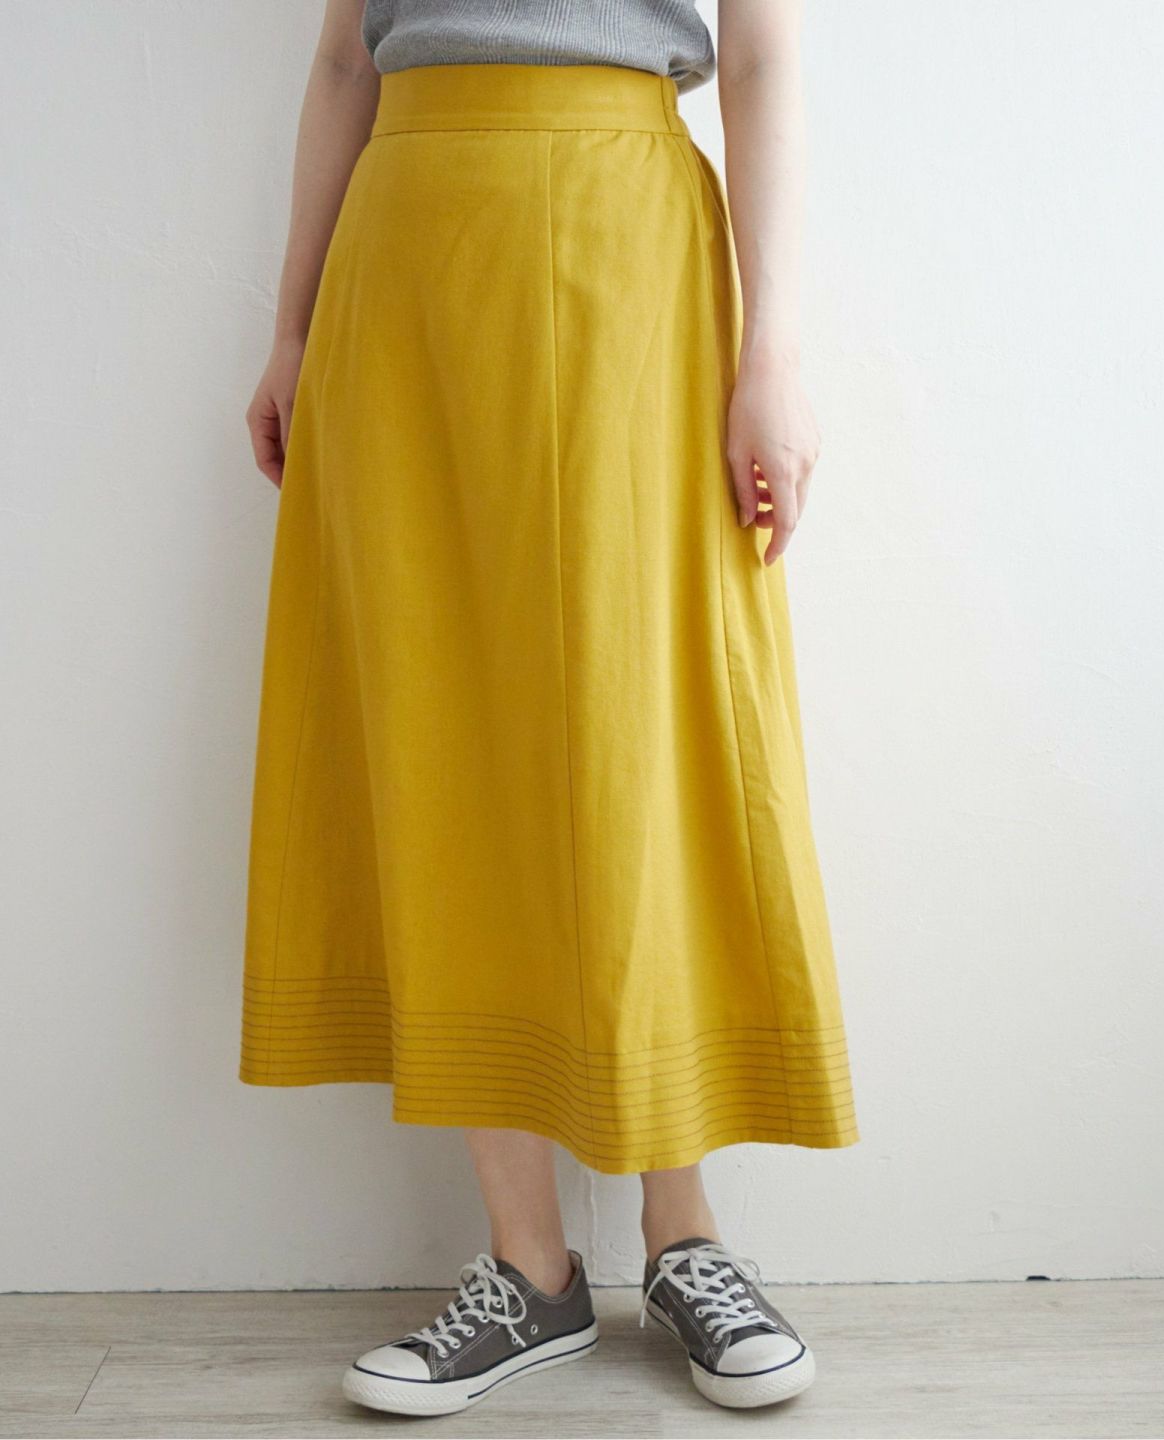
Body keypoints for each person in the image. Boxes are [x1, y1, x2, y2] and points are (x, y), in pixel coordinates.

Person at [241, 0, 859, 1416]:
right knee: (438, 725)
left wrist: (772, 354)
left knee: (640, 726)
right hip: (405, 257)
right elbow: (342, 58)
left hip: (624, 240)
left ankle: (683, 1237)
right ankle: (529, 1267)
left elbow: (762, 53)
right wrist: (290, 324)